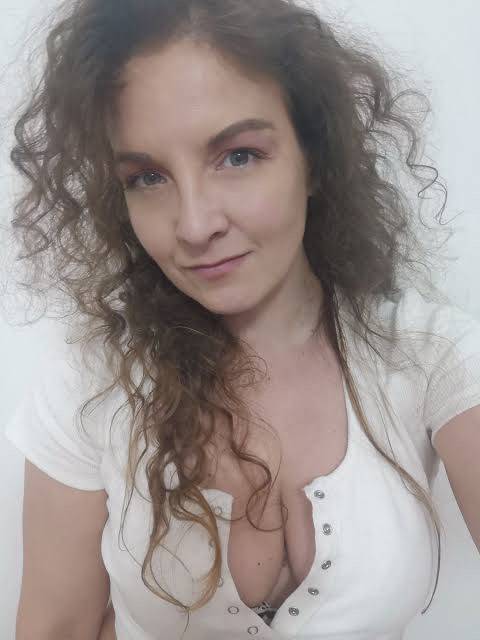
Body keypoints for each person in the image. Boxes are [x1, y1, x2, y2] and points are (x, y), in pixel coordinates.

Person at [4, 0, 480, 638]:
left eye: (238, 156)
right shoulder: (91, 381)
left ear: (314, 156)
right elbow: (58, 625)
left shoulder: (432, 356)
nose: (194, 225)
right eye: (148, 177)